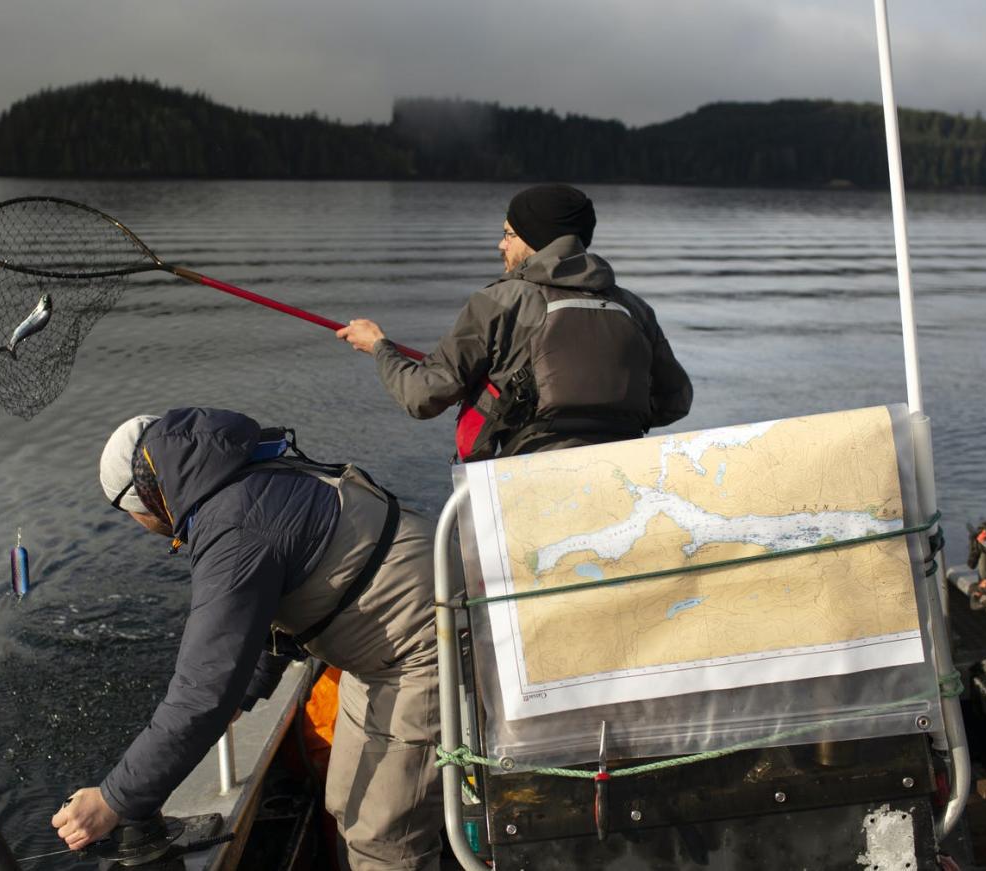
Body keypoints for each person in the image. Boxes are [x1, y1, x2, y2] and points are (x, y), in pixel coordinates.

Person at [51, 407, 443, 871]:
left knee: (382, 836)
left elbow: (203, 690)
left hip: (424, 647)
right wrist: (249, 688)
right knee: (346, 800)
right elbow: (280, 605)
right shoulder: (248, 477)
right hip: (387, 647)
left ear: (148, 498)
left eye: (131, 514)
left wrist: (115, 798)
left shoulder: (231, 526)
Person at [337, 183, 693, 461]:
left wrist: (379, 347)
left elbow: (422, 396)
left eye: (509, 234)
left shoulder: (499, 302)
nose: (500, 245)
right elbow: (675, 401)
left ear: (537, 239)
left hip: (529, 482)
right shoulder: (635, 309)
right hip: (623, 478)